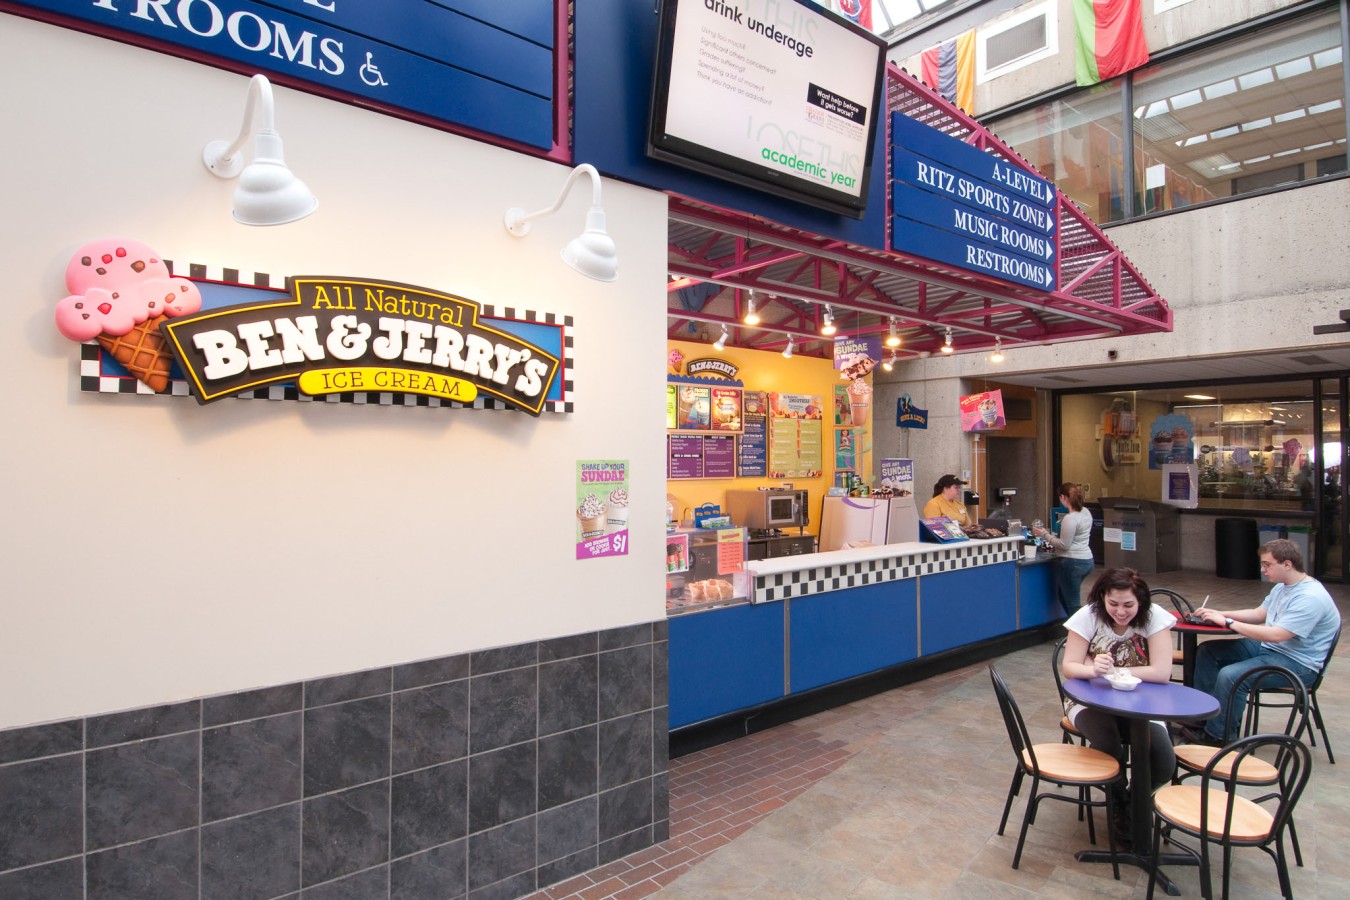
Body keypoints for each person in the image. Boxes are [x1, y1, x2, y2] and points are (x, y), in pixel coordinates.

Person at [1181, 539, 1341, 746]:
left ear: (1287, 564)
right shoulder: (1283, 587)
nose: (1262, 569)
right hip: (1273, 649)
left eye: (1267, 564)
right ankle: (1203, 717)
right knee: (1208, 651)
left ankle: (1220, 736)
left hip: (1299, 664)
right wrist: (1220, 613)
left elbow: (1276, 635)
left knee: (1231, 676)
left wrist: (1229, 623)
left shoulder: (1310, 597)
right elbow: (1259, 614)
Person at [1060, 567, 1176, 843]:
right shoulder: (1087, 616)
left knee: (1163, 760)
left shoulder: (1154, 618)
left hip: (1143, 704)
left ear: (1141, 602)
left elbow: (1161, 672)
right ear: (1102, 598)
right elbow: (1069, 667)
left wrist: (1115, 673)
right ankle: (1121, 801)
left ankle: (1133, 802)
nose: (1120, 612)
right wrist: (1091, 669)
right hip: (1090, 702)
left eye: (1128, 605)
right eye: (1113, 604)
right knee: (1108, 747)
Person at [1035, 483, 1094, 614]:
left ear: (1063, 497)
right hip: (1087, 560)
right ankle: (1073, 630)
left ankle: (1081, 632)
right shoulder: (1086, 512)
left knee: (1072, 603)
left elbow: (1064, 545)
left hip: (1072, 562)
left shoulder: (1070, 518)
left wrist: (1044, 534)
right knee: (1064, 597)